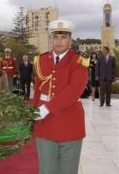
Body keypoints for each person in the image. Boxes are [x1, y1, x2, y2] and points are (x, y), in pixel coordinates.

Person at [31, 19, 89, 174]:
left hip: (70, 125)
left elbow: (74, 91)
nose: (59, 41)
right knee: (47, 170)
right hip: (44, 126)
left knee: (68, 171)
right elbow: (37, 91)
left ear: (70, 39)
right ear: (51, 38)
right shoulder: (40, 60)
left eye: (63, 37)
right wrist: (31, 114)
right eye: (56, 37)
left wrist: (47, 108)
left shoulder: (79, 61)